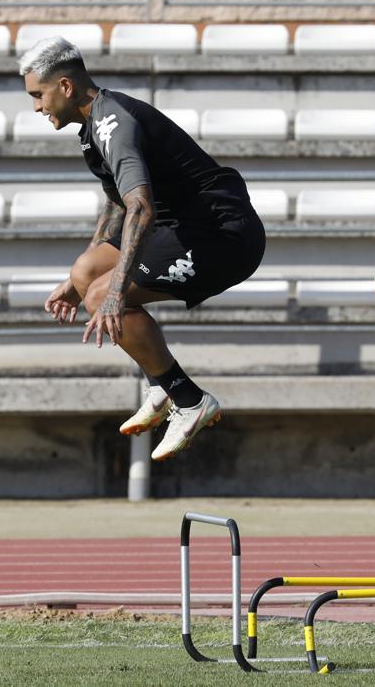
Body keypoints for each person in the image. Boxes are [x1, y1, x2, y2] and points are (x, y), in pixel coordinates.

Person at [18, 37, 266, 461]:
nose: (36, 107)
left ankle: (188, 400)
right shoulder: (92, 128)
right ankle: (160, 384)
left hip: (223, 236)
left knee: (101, 296)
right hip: (184, 227)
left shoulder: (113, 124)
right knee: (84, 275)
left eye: (37, 95)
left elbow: (141, 207)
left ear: (64, 86)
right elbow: (118, 204)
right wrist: (78, 279)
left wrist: (114, 292)